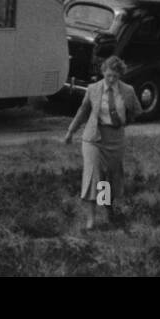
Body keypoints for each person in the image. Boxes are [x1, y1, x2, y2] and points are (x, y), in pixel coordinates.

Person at [63, 56, 142, 231]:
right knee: (93, 175)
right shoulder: (93, 89)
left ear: (120, 75)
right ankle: (91, 219)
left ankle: (107, 210)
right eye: (108, 75)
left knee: (108, 178)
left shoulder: (128, 91)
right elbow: (83, 111)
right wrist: (70, 132)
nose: (111, 79)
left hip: (115, 138)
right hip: (94, 137)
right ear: (103, 73)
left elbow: (136, 110)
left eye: (115, 76)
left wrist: (123, 122)